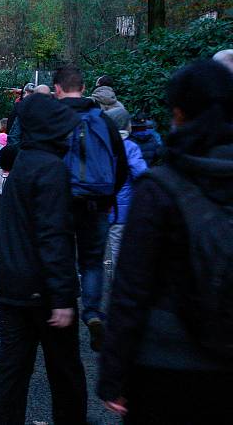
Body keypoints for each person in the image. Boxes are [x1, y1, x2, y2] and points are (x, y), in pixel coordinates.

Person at [98, 60, 233, 423]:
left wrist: (113, 372)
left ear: (178, 112)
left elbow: (131, 288)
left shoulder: (162, 187)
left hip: (163, 360)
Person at [0, 93, 87, 425]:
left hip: (13, 284)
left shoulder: (22, 163)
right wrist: (61, 296)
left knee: (12, 369)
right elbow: (53, 235)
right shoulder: (51, 169)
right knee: (65, 372)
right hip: (42, 289)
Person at [54, 65, 128, 352]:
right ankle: (93, 312)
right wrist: (109, 195)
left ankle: (64, 308)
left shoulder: (55, 119)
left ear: (57, 89)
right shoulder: (104, 120)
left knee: (63, 254)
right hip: (97, 202)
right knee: (93, 260)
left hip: (63, 201)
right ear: (84, 88)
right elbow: (119, 162)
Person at [104, 108, 148, 271]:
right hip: (122, 208)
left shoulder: (102, 144)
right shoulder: (129, 147)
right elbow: (141, 173)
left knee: (95, 252)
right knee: (118, 250)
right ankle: (116, 289)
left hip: (100, 207)